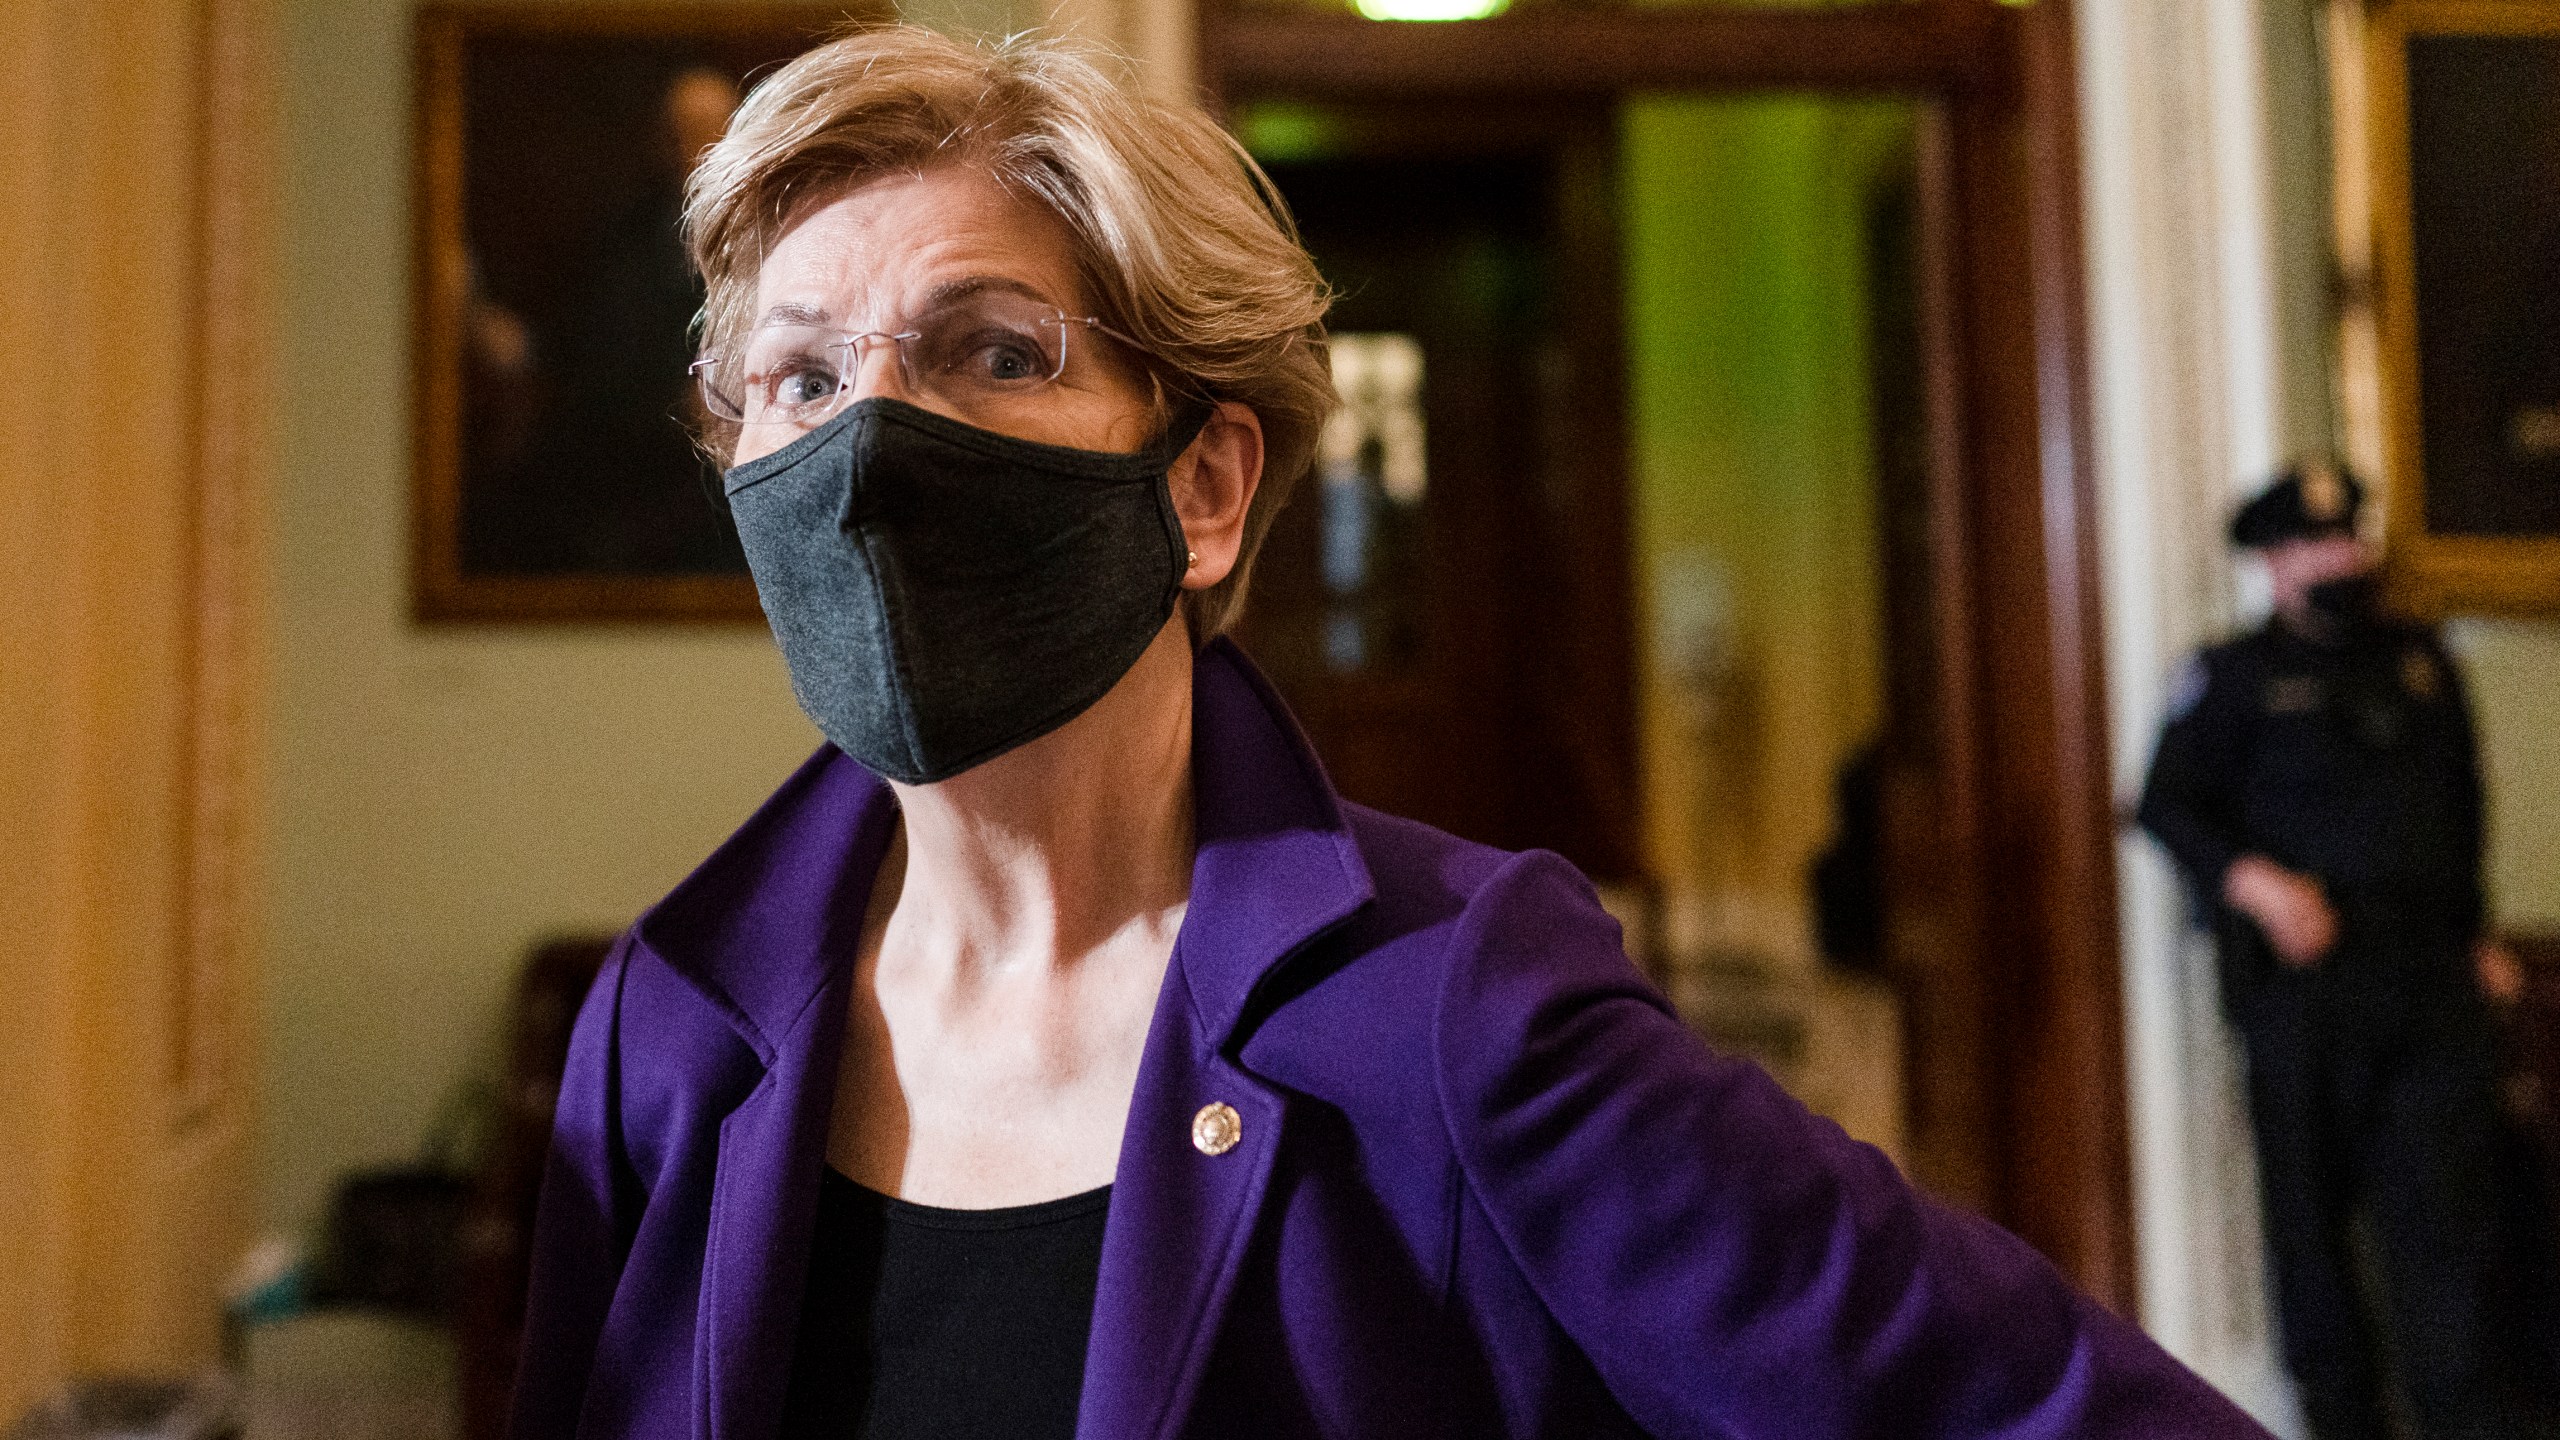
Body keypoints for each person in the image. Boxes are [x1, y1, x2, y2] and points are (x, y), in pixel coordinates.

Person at [511, 24, 2267, 1439]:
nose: (873, 441)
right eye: (804, 380)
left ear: (1200, 487)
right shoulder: (667, 1033)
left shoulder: (1455, 1015)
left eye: (995, 351)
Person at [2137, 462, 2533, 1440]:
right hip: (2305, 997)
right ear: (2275, 564)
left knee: (2449, 1233)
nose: (2339, 557)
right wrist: (2255, 885)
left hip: (2426, 984)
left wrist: (2474, 932)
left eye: (2348, 536)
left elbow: (2458, 811)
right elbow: (2165, 805)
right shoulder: (2232, 680)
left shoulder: (2419, 664)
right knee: (2311, 1242)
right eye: (2316, 544)